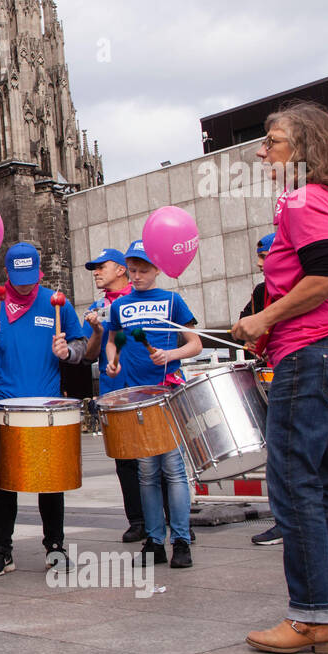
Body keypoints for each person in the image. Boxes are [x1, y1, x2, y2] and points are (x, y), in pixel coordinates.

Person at [233, 102, 328, 654]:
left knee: (293, 488)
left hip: (310, 356)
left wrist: (263, 319)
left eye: (273, 142)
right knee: (320, 488)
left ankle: (314, 617)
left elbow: (324, 277)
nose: (261, 152)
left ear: (304, 151)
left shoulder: (302, 199)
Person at [0, 242, 87, 575]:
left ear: (39, 271)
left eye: (31, 277)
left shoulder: (56, 303)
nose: (26, 284)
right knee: (5, 482)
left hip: (46, 405)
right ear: (7, 274)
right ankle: (2, 550)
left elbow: (81, 346)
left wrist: (67, 352)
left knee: (50, 481)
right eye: (20, 278)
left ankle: (55, 547)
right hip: (5, 406)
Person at [104, 240, 202, 569]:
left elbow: (195, 343)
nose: (137, 276)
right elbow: (114, 339)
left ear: (157, 269)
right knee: (146, 472)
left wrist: (170, 355)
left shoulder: (172, 301)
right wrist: (112, 361)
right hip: (137, 396)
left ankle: (182, 540)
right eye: (132, 270)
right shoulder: (120, 305)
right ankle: (155, 540)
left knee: (173, 470)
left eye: (143, 270)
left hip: (167, 390)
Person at [78, 247, 148, 543]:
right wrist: (95, 331)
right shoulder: (97, 309)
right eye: (93, 267)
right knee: (125, 460)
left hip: (147, 388)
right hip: (113, 392)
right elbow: (89, 356)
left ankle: (173, 517)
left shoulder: (144, 297)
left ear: (121, 269)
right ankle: (138, 520)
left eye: (101, 266)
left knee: (157, 457)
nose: (96, 272)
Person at [242, 232, 283, 546]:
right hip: (275, 380)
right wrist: (248, 337)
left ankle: (298, 521)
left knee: (296, 456)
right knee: (278, 453)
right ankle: (284, 519)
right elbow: (243, 324)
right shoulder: (261, 291)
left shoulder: (303, 285)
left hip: (302, 374)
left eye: (263, 257)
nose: (258, 265)